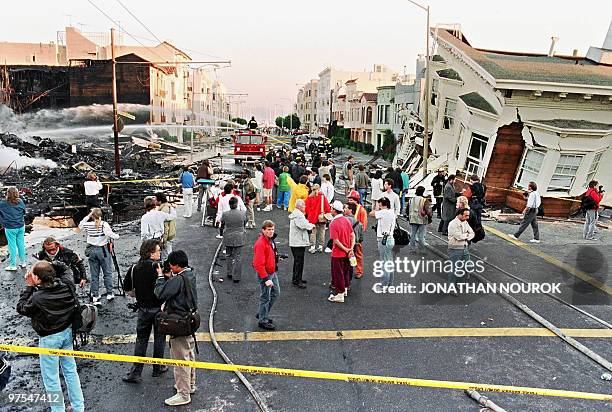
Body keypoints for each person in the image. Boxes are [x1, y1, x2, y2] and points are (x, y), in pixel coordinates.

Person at [17, 261, 85, 412]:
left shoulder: (37, 298)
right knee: (70, 371)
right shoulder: (67, 285)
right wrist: (47, 265)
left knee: (51, 378)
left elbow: (21, 308)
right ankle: (78, 407)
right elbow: (65, 267)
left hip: (49, 339)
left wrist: (29, 286)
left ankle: (58, 410)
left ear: (38, 279)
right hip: (67, 333)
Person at [154, 250, 198, 406]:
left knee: (180, 360)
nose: (169, 267)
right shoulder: (190, 274)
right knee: (189, 354)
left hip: (179, 323)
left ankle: (183, 394)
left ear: (177, 266)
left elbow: (160, 293)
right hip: (190, 321)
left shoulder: (178, 279)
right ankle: (190, 385)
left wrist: (160, 277)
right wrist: (171, 277)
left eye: (171, 265)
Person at [122, 239, 168, 383]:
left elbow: (127, 288)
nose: (160, 253)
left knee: (141, 339)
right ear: (150, 253)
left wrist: (139, 295)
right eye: (158, 251)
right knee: (159, 339)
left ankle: (136, 372)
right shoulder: (159, 268)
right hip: (159, 309)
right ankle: (157, 368)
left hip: (143, 309)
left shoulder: (134, 268)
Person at [79, 208, 119, 305]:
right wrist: (117, 235)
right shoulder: (104, 224)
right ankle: (109, 293)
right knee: (107, 273)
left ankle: (95, 295)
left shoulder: (87, 225)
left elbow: (80, 225)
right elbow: (111, 235)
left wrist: (88, 215)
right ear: (101, 215)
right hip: (103, 250)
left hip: (92, 251)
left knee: (94, 275)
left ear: (92, 216)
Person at [253, 220, 280, 330]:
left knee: (275, 293)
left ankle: (262, 314)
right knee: (266, 297)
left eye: (272, 229)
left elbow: (269, 255)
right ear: (263, 230)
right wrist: (265, 278)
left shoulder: (269, 241)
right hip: (266, 274)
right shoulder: (261, 243)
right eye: (268, 230)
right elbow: (258, 264)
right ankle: (262, 320)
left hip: (271, 272)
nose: (271, 232)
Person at [328, 200, 355, 303]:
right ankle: (345, 289)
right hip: (348, 252)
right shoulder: (346, 220)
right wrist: (350, 248)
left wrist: (345, 249)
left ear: (334, 211)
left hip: (338, 253)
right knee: (346, 271)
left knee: (338, 273)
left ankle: (340, 293)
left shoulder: (333, 223)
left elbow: (336, 241)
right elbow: (352, 235)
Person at [447, 208, 475, 295]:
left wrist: (466, 236)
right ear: (459, 214)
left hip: (464, 248)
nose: (468, 217)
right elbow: (459, 237)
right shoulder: (453, 224)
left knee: (468, 265)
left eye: (468, 215)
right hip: (455, 249)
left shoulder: (465, 222)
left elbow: (472, 233)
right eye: (466, 215)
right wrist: (467, 235)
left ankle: (458, 283)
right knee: (454, 269)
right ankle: (452, 287)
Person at [288, 199, 315, 288]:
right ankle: (297, 280)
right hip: (298, 242)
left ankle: (297, 278)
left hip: (296, 241)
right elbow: (303, 225)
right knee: (299, 262)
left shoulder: (297, 214)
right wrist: (312, 225)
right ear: (300, 206)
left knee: (298, 261)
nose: (305, 207)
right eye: (304, 205)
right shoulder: (299, 215)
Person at [370, 197, 396, 286]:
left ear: (381, 204)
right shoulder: (392, 212)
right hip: (390, 238)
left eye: (379, 204)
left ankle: (383, 284)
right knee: (389, 261)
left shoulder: (383, 212)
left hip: (383, 239)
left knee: (384, 263)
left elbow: (371, 213)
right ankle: (390, 282)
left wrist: (376, 207)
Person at [0, 186, 27, 271]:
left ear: (7, 194)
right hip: (21, 226)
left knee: (12, 246)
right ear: (17, 193)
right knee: (21, 244)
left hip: (10, 228)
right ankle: (23, 262)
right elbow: (24, 212)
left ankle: (13, 265)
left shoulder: (3, 203)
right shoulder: (20, 201)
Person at [222, 197, 247, 283]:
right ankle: (236, 277)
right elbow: (245, 222)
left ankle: (229, 272)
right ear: (236, 204)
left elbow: (222, 223)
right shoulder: (243, 213)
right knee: (238, 257)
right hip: (239, 237)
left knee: (228, 255)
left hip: (228, 236)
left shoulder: (225, 214)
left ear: (229, 204)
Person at [305, 183, 331, 253]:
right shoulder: (322, 197)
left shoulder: (309, 197)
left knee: (313, 232)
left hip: (312, 217)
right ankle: (320, 246)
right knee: (322, 232)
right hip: (321, 217)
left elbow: (306, 209)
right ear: (319, 189)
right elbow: (327, 208)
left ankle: (312, 246)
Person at [347, 191, 367, 278]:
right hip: (348, 236)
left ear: (356, 200)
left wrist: (358, 236)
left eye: (351, 199)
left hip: (357, 237)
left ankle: (359, 271)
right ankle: (349, 269)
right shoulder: (349, 208)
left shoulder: (361, 210)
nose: (349, 201)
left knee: (358, 254)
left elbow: (364, 224)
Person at [407, 186, 432, 253]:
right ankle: (422, 249)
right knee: (421, 235)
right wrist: (430, 218)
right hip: (422, 219)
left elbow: (407, 209)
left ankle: (412, 249)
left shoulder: (411, 199)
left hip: (413, 219)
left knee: (413, 234)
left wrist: (408, 217)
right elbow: (428, 211)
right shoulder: (424, 200)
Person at [155, 193, 177, 261]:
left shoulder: (164, 209)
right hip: (171, 234)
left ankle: (168, 269)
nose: (154, 201)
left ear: (160, 201)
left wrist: (163, 240)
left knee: (166, 255)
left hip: (167, 236)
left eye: (156, 199)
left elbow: (165, 226)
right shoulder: (167, 207)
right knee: (168, 253)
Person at [343, 202, 363, 279]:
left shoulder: (343, 220)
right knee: (353, 260)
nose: (344, 209)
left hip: (345, 244)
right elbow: (361, 236)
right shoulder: (359, 223)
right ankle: (351, 277)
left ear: (350, 210)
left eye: (346, 208)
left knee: (343, 262)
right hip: (355, 244)